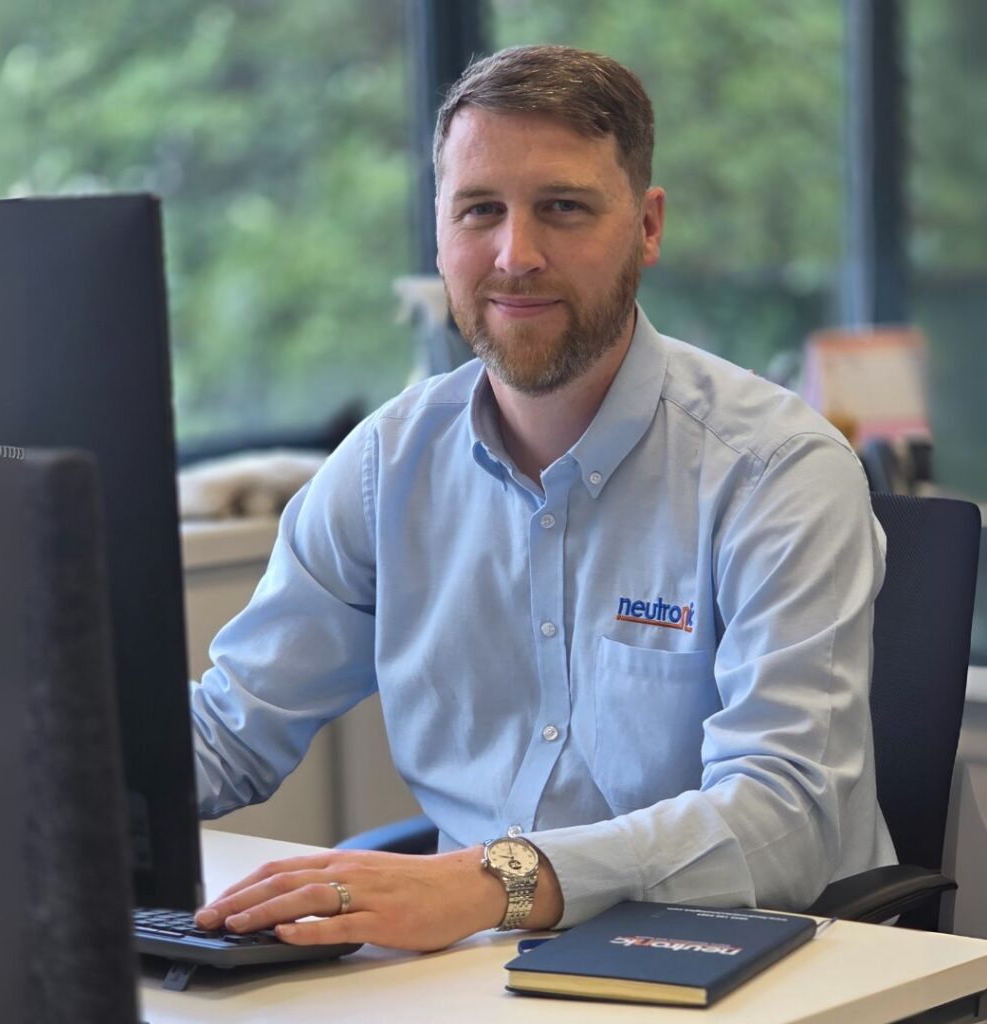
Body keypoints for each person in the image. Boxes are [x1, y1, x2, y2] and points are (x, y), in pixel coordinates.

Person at [191, 44, 896, 951]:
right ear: (439, 232)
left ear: (646, 226)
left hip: (749, 963)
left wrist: (491, 883)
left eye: (562, 208)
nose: (515, 256)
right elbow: (230, 733)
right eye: (479, 210)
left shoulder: (777, 472)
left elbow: (784, 818)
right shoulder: (385, 464)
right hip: (473, 975)